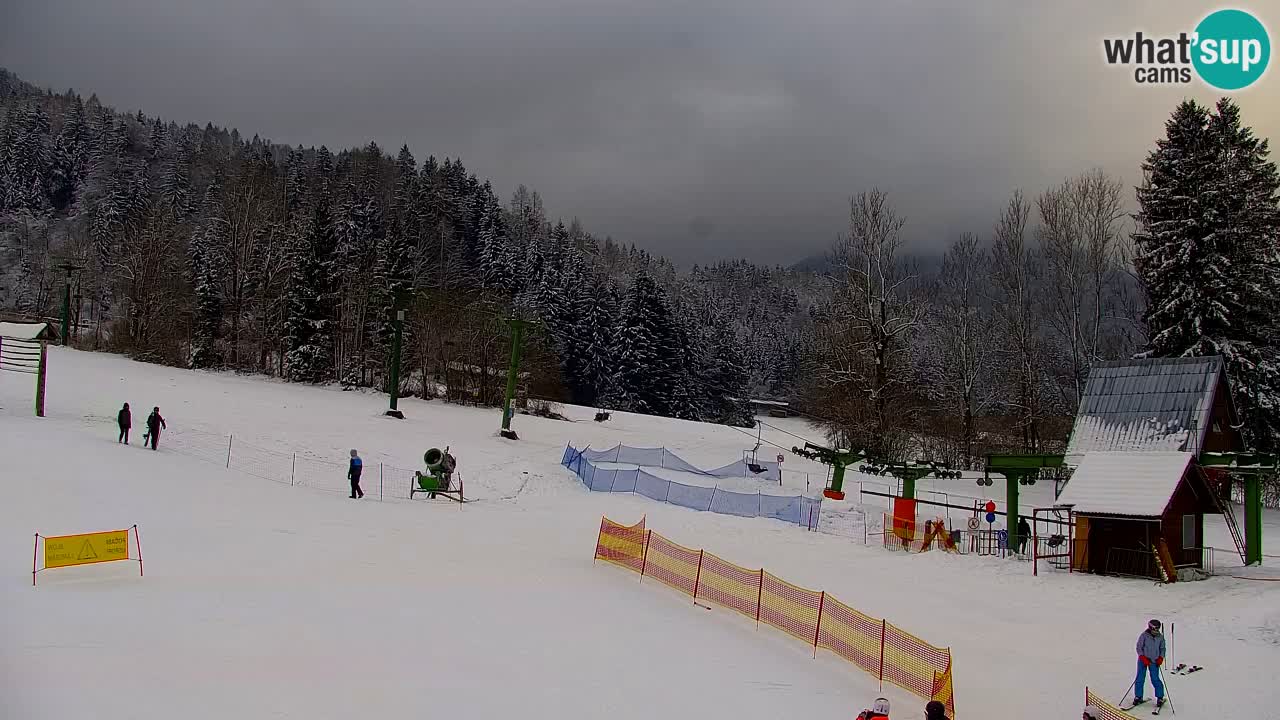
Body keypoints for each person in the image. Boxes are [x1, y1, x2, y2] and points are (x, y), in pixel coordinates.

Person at [1132, 618, 1167, 709]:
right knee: (1140, 678)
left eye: (1158, 629)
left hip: (1154, 661)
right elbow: (1139, 647)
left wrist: (1161, 657)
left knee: (1155, 679)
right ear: (1151, 628)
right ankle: (1138, 696)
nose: (1157, 631)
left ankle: (1160, 697)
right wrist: (1142, 657)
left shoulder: (1160, 637)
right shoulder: (1144, 636)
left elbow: (1162, 648)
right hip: (1143, 660)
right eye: (1155, 629)